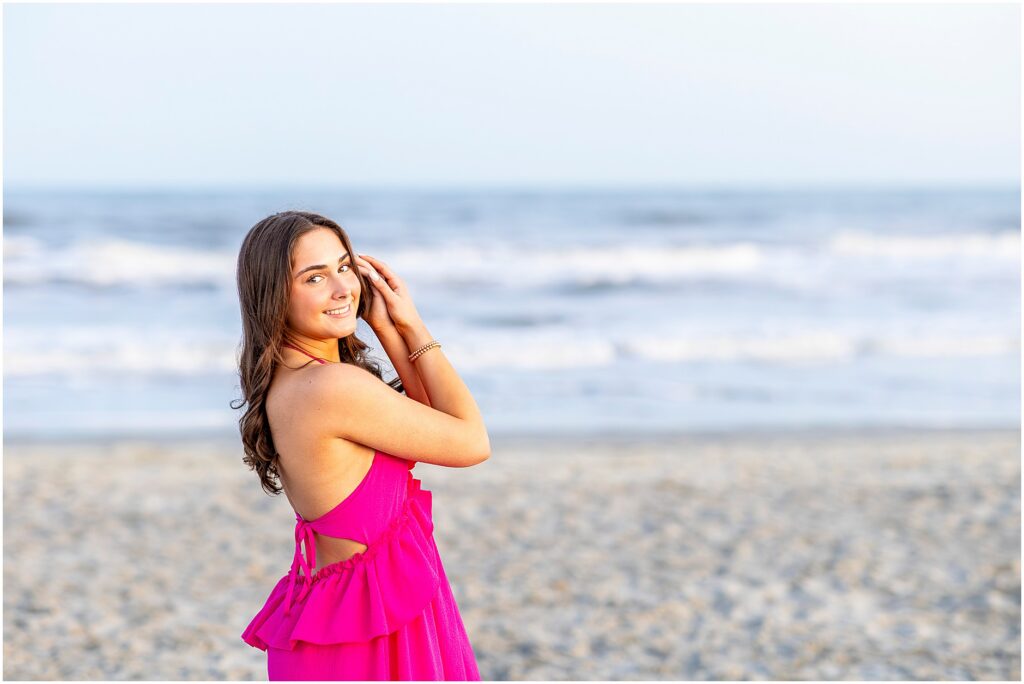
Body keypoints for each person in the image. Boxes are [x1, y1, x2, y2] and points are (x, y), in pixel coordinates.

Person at [233, 211, 488, 680]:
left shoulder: (295, 379)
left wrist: (389, 329)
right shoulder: (332, 387)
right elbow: (471, 441)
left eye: (344, 267)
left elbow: (428, 418)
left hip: (355, 613)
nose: (341, 288)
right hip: (366, 633)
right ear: (273, 294)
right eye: (314, 277)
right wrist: (413, 327)